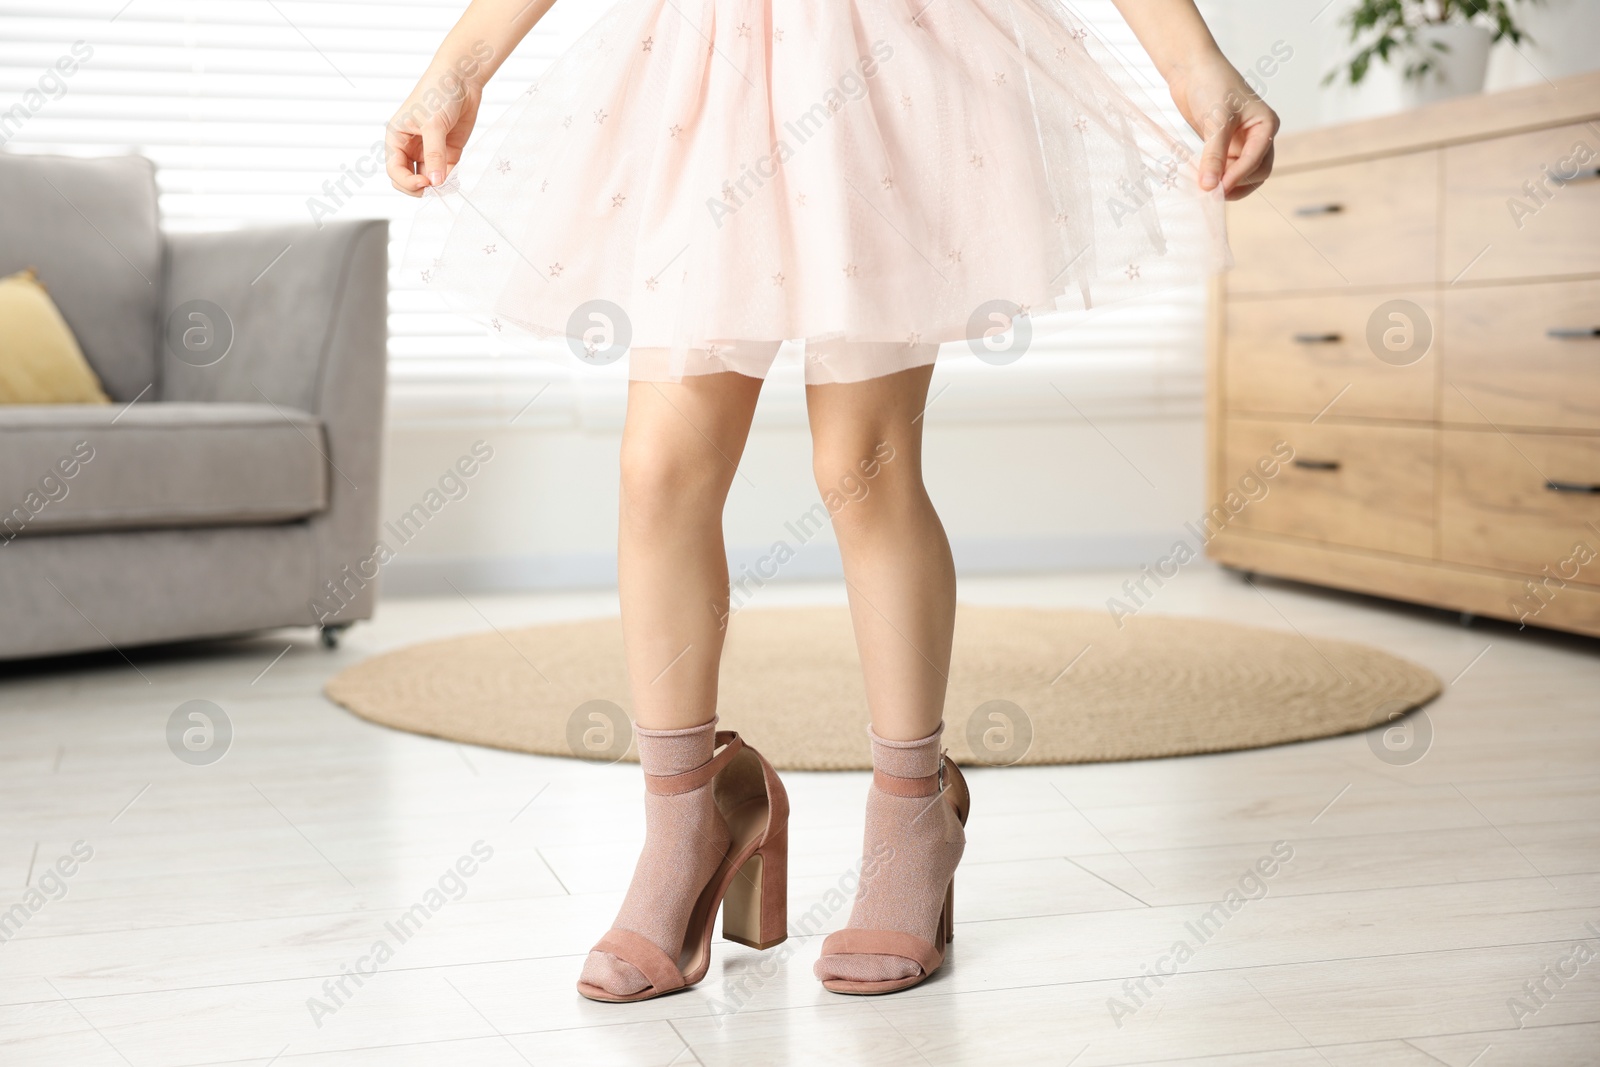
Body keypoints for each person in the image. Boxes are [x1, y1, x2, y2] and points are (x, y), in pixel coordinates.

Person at [388, 0, 1277, 1001]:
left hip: (882, 59)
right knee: (657, 469)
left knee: (861, 463)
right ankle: (690, 815)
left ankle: (912, 811)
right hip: (703, 68)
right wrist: (459, 65)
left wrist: (1191, 60)